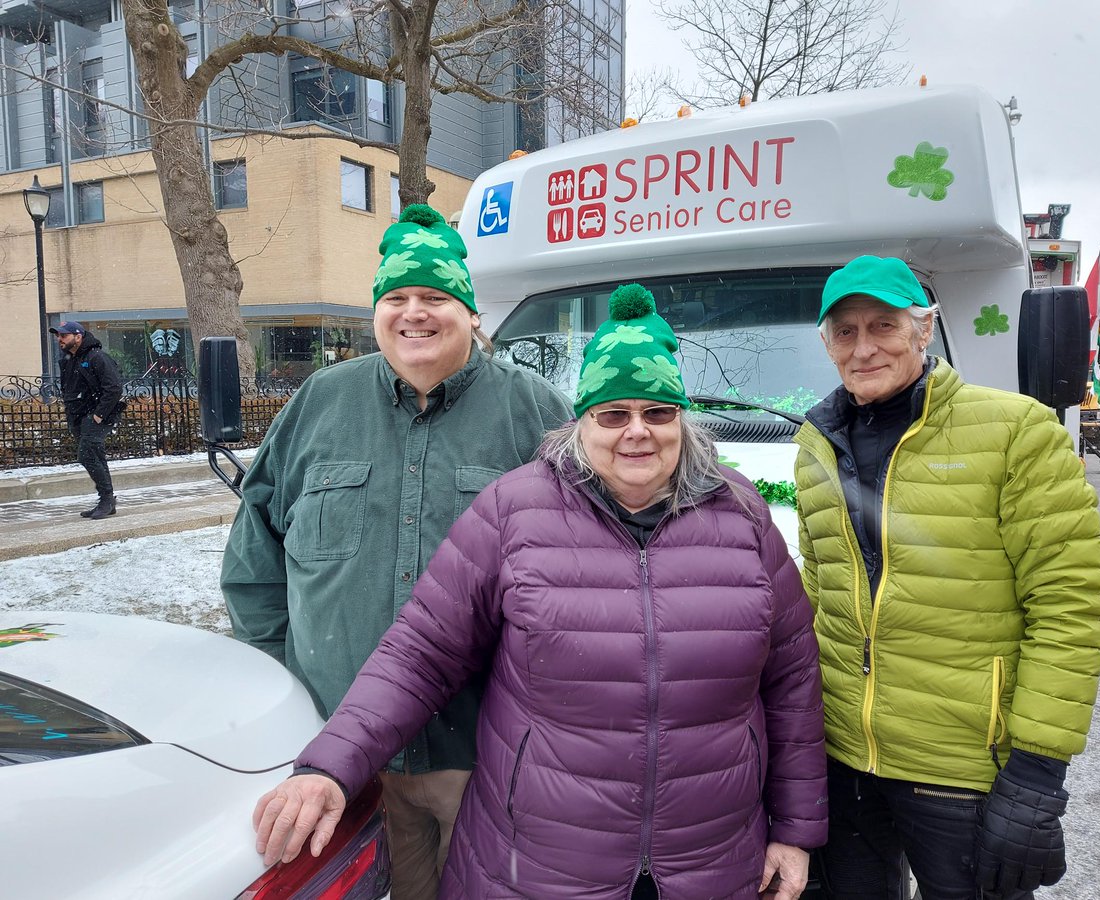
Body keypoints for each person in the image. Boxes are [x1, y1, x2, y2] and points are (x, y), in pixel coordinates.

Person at [250, 283, 828, 899]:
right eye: (613, 413)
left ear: (682, 421)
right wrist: (330, 767)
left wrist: (794, 832)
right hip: (539, 863)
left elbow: (791, 681)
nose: (637, 432)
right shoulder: (515, 510)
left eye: (658, 412)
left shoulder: (741, 516)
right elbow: (419, 653)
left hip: (710, 857)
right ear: (582, 422)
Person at [221, 204, 572, 900]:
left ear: (470, 314)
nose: (416, 313)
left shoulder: (536, 413)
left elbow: (585, 575)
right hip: (338, 763)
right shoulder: (319, 404)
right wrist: (287, 697)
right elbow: (255, 566)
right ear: (376, 312)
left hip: (480, 759)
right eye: (397, 298)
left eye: (436, 298)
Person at [792, 255, 1100, 899]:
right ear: (827, 343)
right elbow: (818, 593)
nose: (864, 348)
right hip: (844, 765)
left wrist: (1035, 775)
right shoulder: (815, 441)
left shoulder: (1015, 430)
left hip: (963, 770)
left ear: (923, 330)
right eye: (845, 331)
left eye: (883, 326)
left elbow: (1070, 604)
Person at [49, 320, 123, 519]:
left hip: (97, 415)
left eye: (64, 335)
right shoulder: (68, 360)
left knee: (86, 455)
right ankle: (108, 501)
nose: (59, 339)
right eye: (58, 336)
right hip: (79, 417)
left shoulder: (97, 357)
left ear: (78, 336)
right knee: (96, 455)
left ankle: (106, 498)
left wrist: (98, 415)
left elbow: (114, 387)